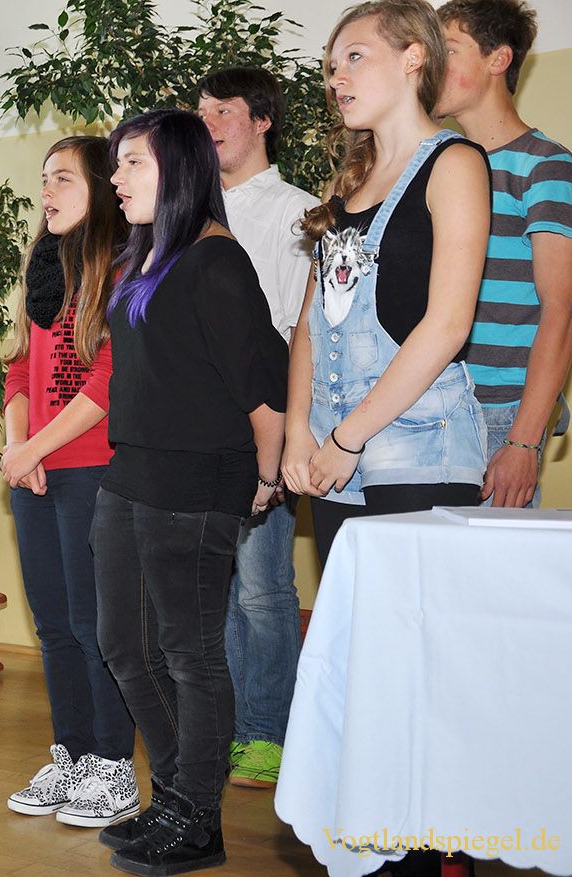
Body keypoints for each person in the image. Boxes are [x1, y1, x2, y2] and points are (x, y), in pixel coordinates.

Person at [92, 110, 288, 876]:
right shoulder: (145, 257)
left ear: (178, 169)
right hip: (132, 474)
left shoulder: (217, 261)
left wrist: (266, 477)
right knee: (124, 645)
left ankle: (198, 819)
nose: (117, 178)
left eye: (133, 163)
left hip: (197, 481)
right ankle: (177, 794)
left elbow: (263, 389)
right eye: (117, 164)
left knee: (191, 655)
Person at [282, 0, 492, 568]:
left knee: (413, 620)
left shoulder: (455, 164)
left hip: (420, 445)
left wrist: (348, 438)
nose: (336, 78)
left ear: (413, 58)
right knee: (356, 618)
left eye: (355, 57)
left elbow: (448, 326)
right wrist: (300, 429)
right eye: (331, 67)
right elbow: (310, 324)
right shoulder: (343, 188)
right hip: (333, 445)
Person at [0, 136, 137, 826]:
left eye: (62, 179)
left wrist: (36, 449)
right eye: (43, 179)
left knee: (95, 624)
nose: (46, 192)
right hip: (37, 471)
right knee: (53, 623)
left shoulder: (125, 269)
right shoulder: (44, 268)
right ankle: (73, 755)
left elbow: (109, 381)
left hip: (92, 470)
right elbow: (19, 370)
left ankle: (114, 766)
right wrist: (16, 447)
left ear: (102, 190)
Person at [196, 66, 320, 791]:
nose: (208, 123)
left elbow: (297, 333)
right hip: (198, 432)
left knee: (263, 592)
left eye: (225, 111)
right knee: (210, 591)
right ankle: (228, 729)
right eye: (201, 112)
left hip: (263, 425)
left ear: (263, 120)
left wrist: (282, 437)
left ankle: (269, 734)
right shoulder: (188, 213)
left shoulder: (296, 212)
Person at [436, 0, 572, 508]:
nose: (430, 65)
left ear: (498, 59)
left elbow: (562, 309)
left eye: (448, 50)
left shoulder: (544, 165)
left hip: (500, 416)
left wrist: (523, 440)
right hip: (434, 408)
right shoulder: (437, 167)